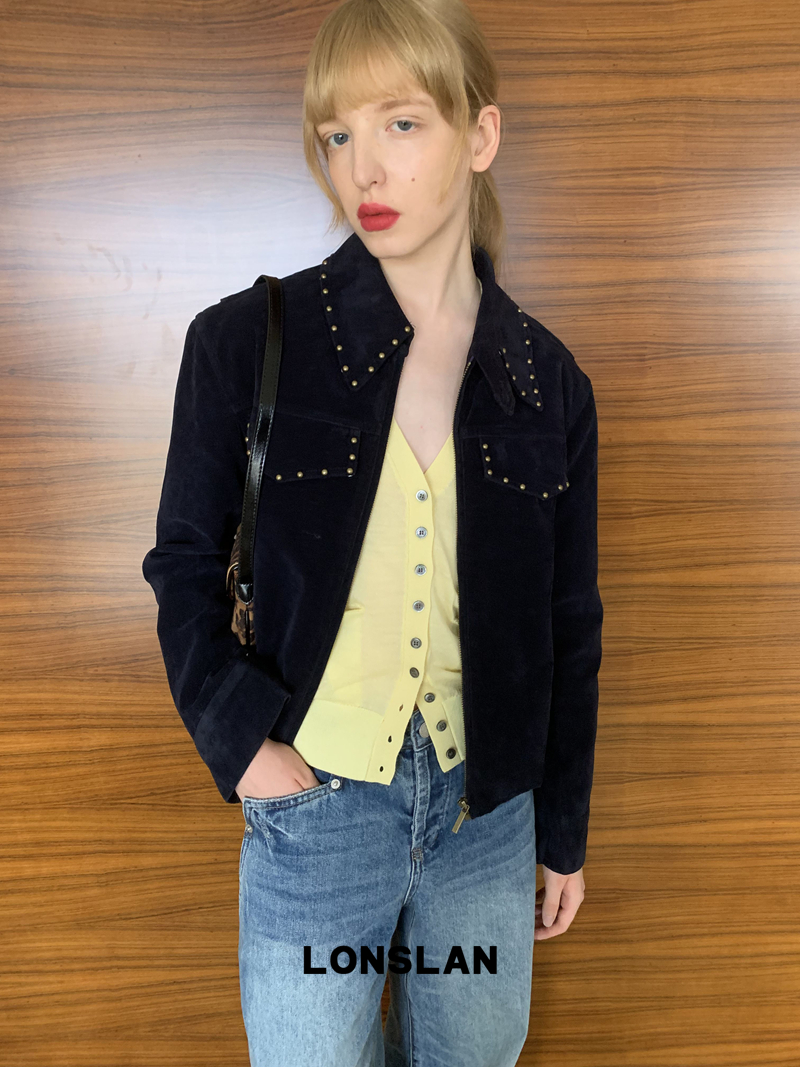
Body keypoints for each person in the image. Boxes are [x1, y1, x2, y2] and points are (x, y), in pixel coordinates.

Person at [142, 0, 603, 1063]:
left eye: (401, 123)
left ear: (479, 135)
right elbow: (183, 564)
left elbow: (568, 622)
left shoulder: (549, 383)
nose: (363, 167)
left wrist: (561, 829)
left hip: (487, 823)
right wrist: (243, 747)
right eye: (337, 135)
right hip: (318, 812)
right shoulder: (243, 340)